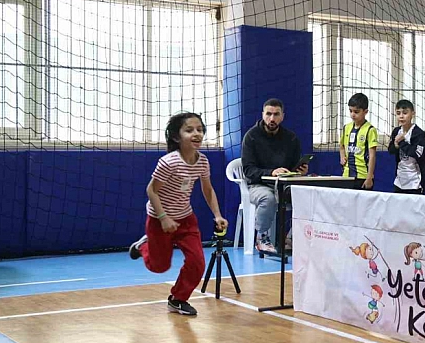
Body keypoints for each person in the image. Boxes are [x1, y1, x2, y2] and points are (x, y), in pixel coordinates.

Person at [128, 112, 228, 316]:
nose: (196, 134)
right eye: (189, 130)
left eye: (200, 130)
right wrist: (164, 218)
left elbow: (207, 190)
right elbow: (151, 190)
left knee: (197, 262)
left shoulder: (202, 161)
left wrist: (217, 215)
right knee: (159, 267)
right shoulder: (168, 162)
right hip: (159, 220)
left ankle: (178, 299)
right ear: (176, 137)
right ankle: (144, 246)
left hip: (186, 219)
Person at [241, 98, 307, 253]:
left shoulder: (291, 138)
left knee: (307, 197)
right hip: (258, 185)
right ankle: (262, 238)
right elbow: (248, 170)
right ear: (263, 115)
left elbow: (291, 168)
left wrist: (299, 171)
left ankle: (290, 238)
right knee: (268, 198)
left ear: (282, 116)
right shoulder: (251, 137)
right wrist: (270, 172)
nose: (272, 118)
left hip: (284, 186)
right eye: (268, 114)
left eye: (276, 114)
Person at [388, 99, 425, 194]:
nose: (401, 116)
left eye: (405, 113)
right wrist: (395, 145)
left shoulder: (418, 133)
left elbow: (418, 154)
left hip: (415, 182)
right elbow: (391, 150)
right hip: (399, 180)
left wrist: (402, 142)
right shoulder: (396, 131)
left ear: (413, 113)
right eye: (398, 113)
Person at [339, 93, 378, 190]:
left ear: (365, 112)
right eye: (350, 111)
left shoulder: (370, 130)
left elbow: (372, 156)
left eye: (356, 112)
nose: (353, 114)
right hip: (347, 175)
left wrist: (369, 178)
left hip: (362, 176)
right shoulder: (346, 128)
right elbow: (341, 146)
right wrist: (342, 156)